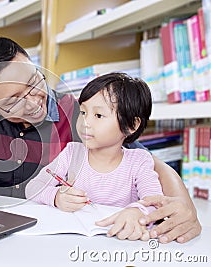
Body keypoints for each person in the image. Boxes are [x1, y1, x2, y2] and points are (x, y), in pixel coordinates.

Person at [0, 37, 201, 243]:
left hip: (56, 243)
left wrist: (184, 208)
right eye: (13, 101)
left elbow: (147, 163)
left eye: (35, 81)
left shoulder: (80, 114)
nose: (35, 100)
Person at [25, 72, 163, 240]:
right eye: (83, 113)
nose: (85, 123)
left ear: (131, 125)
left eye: (98, 115)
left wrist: (136, 211)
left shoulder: (139, 161)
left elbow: (156, 203)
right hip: (74, 241)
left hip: (119, 243)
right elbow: (32, 187)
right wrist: (56, 197)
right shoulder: (72, 153)